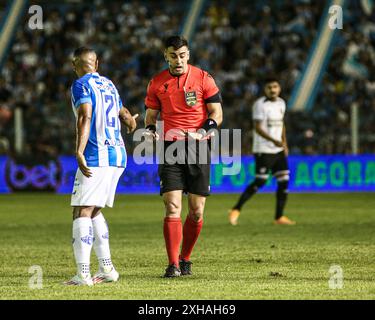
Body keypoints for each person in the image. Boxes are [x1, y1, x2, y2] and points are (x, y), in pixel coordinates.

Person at [144, 35, 223, 277]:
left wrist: (203, 131)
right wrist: (149, 131)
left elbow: (217, 113)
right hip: (170, 148)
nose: (178, 60)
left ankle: (185, 258)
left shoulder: (203, 78)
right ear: (165, 56)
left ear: (188, 55)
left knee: (197, 210)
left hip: (198, 147)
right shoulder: (157, 83)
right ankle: (173, 265)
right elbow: (151, 116)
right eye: (173, 56)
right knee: (172, 206)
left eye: (182, 55)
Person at [65, 47, 138, 286]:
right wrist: (130, 123)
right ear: (96, 64)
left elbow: (85, 116)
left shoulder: (80, 85)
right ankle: (107, 269)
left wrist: (79, 150)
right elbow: (124, 113)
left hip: (97, 154)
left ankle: (83, 274)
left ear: (76, 65)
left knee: (81, 211)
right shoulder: (109, 84)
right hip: (118, 155)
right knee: (94, 210)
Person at [228, 77, 295, 226]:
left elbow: (281, 124)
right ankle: (236, 209)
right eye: (270, 87)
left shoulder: (281, 103)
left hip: (278, 150)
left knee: (284, 181)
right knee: (261, 181)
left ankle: (279, 217)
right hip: (263, 149)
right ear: (265, 89)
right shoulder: (260, 105)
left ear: (279, 88)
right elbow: (257, 128)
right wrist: (273, 140)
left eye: (275, 86)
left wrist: (284, 143)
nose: (273, 90)